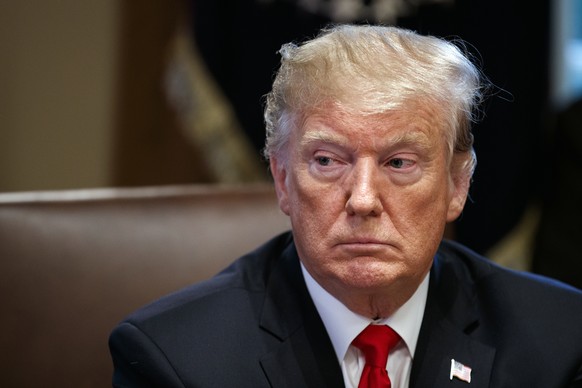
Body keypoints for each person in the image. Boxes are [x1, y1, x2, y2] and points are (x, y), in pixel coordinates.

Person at [109, 24, 582, 387]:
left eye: (399, 162)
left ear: (457, 185)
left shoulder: (561, 341)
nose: (362, 199)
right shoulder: (175, 360)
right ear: (282, 180)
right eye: (327, 161)